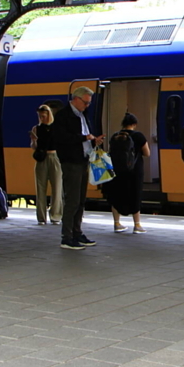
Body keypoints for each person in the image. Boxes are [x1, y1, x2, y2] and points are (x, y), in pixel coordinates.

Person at [52, 87, 103, 250]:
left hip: (83, 159)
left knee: (80, 200)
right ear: (76, 99)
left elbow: (83, 136)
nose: (87, 106)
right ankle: (66, 237)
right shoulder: (63, 115)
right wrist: (83, 138)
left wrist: (93, 140)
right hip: (71, 161)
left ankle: (77, 232)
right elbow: (61, 138)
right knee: (72, 200)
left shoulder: (82, 115)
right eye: (86, 102)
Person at [104, 112, 150, 234]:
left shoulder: (115, 136)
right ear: (134, 124)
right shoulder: (139, 136)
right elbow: (147, 153)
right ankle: (137, 225)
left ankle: (117, 224)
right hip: (134, 170)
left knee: (116, 194)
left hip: (117, 170)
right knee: (135, 194)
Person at [30, 104, 63, 225]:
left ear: (49, 115)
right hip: (42, 158)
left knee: (57, 188)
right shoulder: (36, 128)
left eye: (43, 116)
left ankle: (56, 216)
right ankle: (41, 217)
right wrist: (33, 140)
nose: (41, 119)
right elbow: (34, 147)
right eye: (40, 116)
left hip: (55, 157)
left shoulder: (57, 128)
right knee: (40, 188)